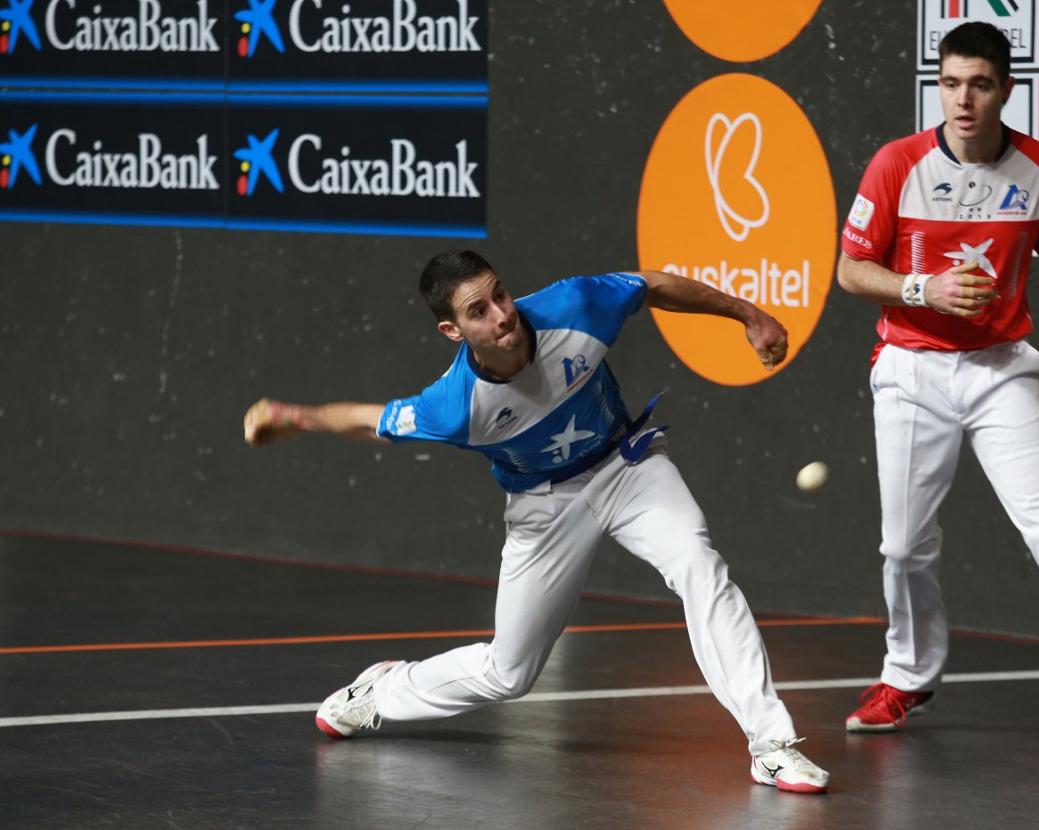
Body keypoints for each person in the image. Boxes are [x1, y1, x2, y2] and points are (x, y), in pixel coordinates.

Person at [242, 250, 830, 793]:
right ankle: (383, 690)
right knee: (510, 673)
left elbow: (652, 285)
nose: (502, 315)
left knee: (699, 565)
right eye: (479, 311)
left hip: (628, 465)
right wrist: (295, 416)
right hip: (544, 507)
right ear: (453, 331)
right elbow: (372, 420)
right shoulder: (455, 405)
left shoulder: (575, 306)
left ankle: (771, 742)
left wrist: (747, 314)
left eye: (500, 295)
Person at [835, 22, 1039, 761]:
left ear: (1006, 90)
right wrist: (923, 286)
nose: (962, 100)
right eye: (950, 83)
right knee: (902, 548)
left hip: (1000, 371)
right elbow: (851, 270)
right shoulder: (896, 164)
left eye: (979, 84)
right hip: (911, 371)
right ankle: (907, 676)